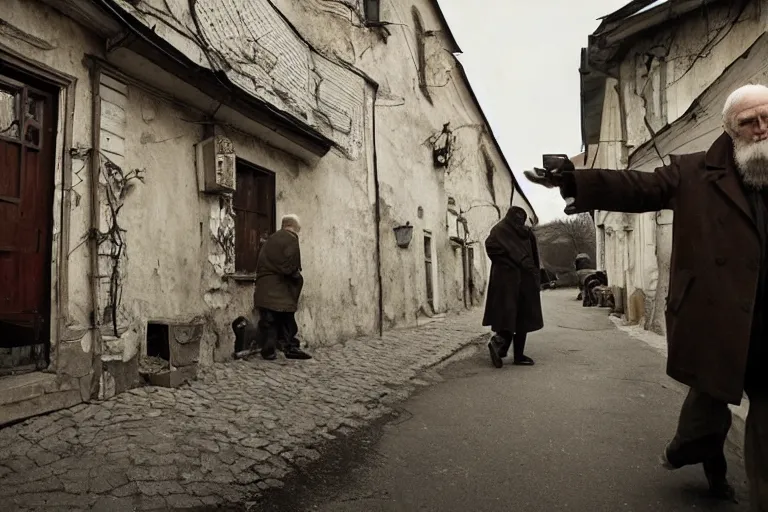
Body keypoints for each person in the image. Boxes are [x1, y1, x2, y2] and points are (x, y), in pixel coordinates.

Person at [524, 83, 768, 508]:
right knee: (707, 412)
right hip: (718, 319)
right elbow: (638, 187)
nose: (761, 129)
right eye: (749, 122)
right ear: (731, 129)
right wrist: (573, 180)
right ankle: (688, 454)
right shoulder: (694, 172)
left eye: (767, 119)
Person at [482, 206, 544, 368]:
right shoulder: (524, 232)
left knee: (512, 314)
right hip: (519, 279)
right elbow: (533, 256)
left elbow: (491, 248)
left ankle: (501, 345)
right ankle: (510, 351)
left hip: (507, 279)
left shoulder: (500, 230)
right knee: (517, 315)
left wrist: (507, 261)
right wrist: (535, 273)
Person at [252, 214, 311, 361]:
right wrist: (298, 280)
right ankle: (290, 347)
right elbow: (290, 268)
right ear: (295, 227)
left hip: (263, 290)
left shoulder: (270, 239)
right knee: (287, 321)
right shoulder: (291, 239)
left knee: (269, 322)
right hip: (281, 291)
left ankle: (269, 350)